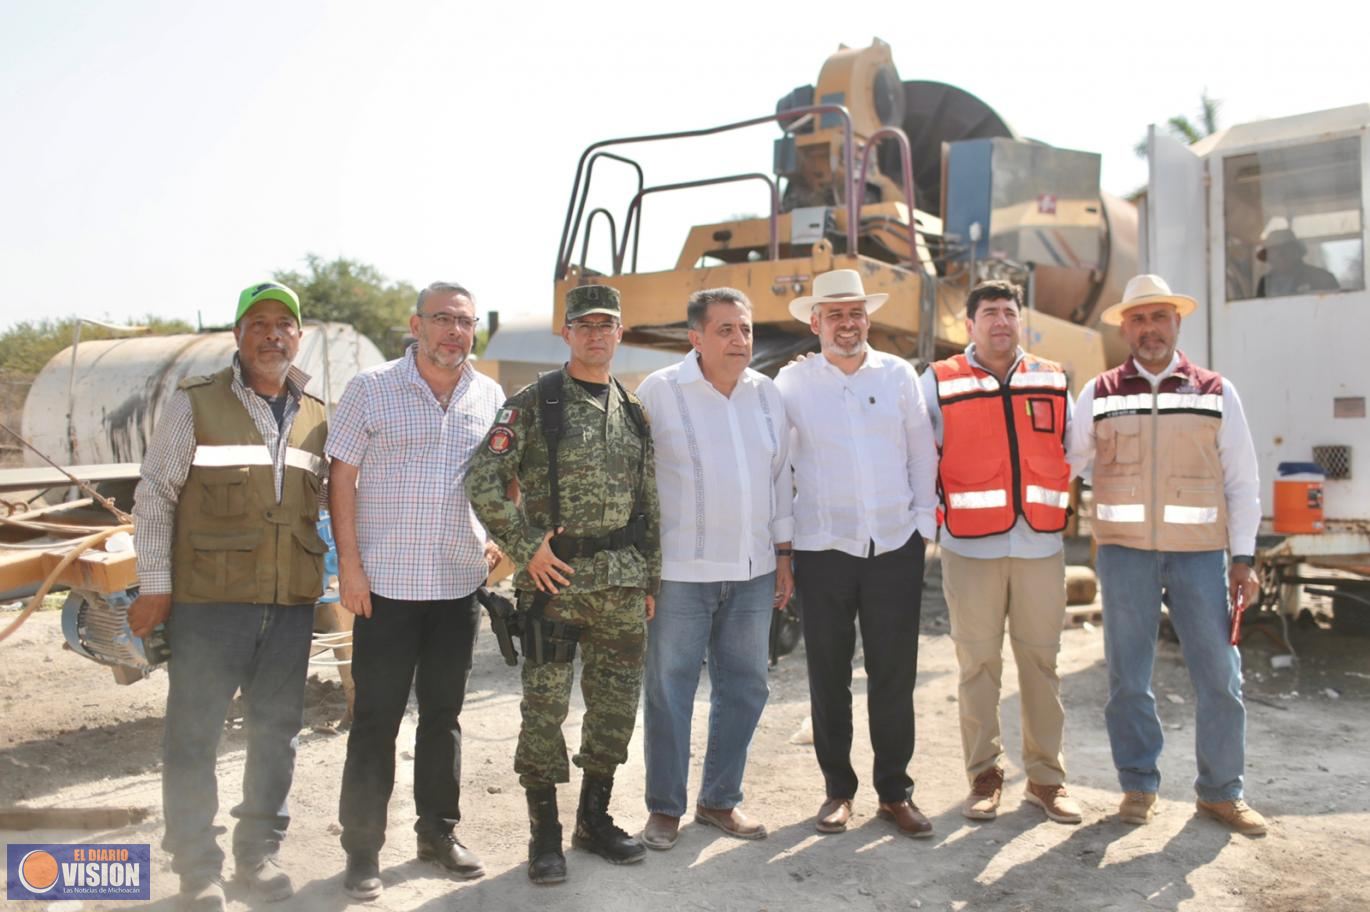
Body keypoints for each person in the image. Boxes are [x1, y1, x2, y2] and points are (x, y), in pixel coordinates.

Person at [129, 282, 328, 912]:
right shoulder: (197, 405)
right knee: (194, 734)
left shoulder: (318, 415)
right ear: (238, 334)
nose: (274, 335)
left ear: (298, 336)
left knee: (277, 732)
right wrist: (156, 585)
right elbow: (155, 494)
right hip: (209, 605)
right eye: (260, 323)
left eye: (285, 325)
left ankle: (258, 854)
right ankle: (197, 869)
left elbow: (327, 506)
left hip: (289, 603)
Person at [465, 284, 661, 884]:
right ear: (567, 333)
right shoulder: (535, 402)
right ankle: (544, 833)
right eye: (585, 325)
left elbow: (648, 500)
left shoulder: (633, 409)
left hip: (622, 585)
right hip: (555, 583)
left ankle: (594, 820)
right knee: (545, 709)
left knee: (614, 708)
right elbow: (482, 480)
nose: (597, 334)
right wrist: (527, 550)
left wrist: (650, 575)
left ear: (620, 333)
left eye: (607, 324)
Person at [1071, 273, 1267, 836]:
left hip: (1200, 557)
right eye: (1139, 319)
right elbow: (1072, 461)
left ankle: (1221, 792)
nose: (1149, 328)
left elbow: (1243, 482)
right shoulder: (1100, 393)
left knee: (1220, 677)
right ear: (1126, 328)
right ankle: (1138, 785)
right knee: (1128, 678)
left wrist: (1244, 558)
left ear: (1177, 323)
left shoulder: (1214, 391)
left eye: (1159, 317)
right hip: (1124, 556)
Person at [329, 282, 505, 900]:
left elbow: (497, 475)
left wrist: (491, 535)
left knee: (444, 718)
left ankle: (438, 833)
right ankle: (362, 852)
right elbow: (342, 477)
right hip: (385, 587)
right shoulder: (371, 389)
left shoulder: (488, 396)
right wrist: (349, 565)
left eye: (465, 322)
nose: (454, 332)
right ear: (416, 324)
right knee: (375, 720)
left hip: (458, 585)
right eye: (443, 319)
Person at [775, 268, 939, 839]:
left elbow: (922, 453)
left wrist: (922, 525)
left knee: (894, 674)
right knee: (828, 674)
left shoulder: (898, 375)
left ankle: (895, 793)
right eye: (835, 315)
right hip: (824, 547)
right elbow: (781, 468)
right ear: (815, 322)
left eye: (855, 313)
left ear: (868, 318)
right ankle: (837, 791)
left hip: (894, 544)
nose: (847, 324)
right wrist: (786, 547)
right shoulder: (791, 385)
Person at [635, 288, 794, 850]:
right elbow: (637, 483)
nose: (739, 340)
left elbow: (779, 479)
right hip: (680, 571)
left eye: (746, 329)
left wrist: (783, 554)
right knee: (669, 689)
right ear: (695, 338)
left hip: (752, 570)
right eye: (725, 329)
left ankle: (719, 800)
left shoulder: (767, 394)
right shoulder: (660, 391)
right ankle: (665, 808)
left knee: (746, 687)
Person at [921, 280, 1081, 825]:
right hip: (969, 547)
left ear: (1021, 321)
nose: (1000, 323)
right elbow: (919, 453)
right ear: (969, 325)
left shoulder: (1053, 379)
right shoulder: (939, 381)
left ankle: (1045, 779)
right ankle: (984, 776)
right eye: (989, 313)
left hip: (1039, 544)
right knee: (977, 665)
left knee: (1041, 663)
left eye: (1009, 313)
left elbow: (1074, 450)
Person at [1255, 228, 1339, 298]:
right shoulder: (1264, 283)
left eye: (1285, 250)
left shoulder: (1321, 278)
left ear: (1296, 252)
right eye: (1274, 251)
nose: (1280, 256)